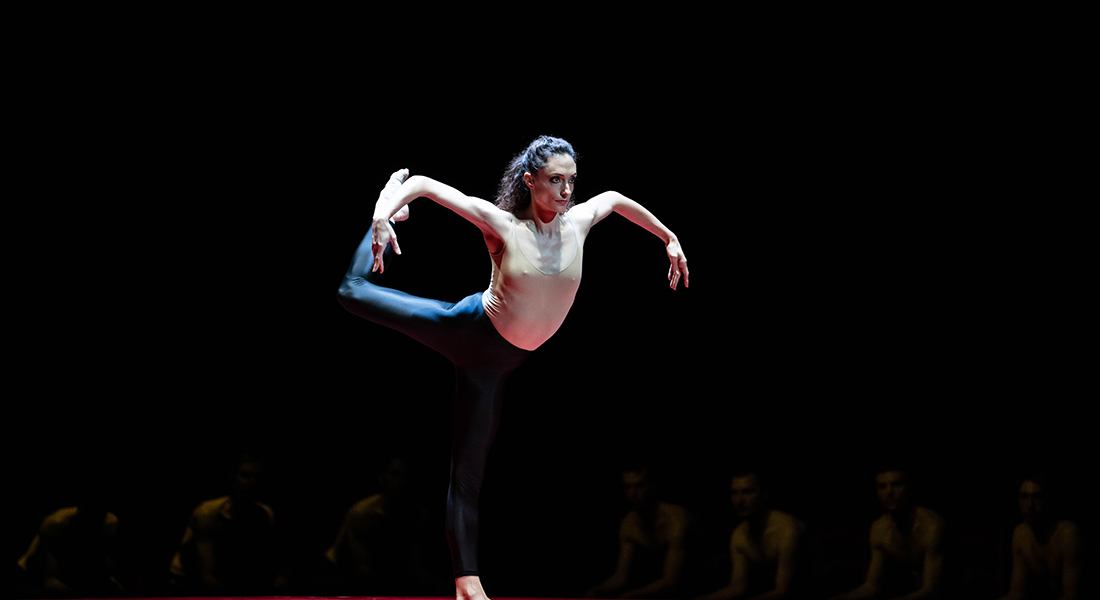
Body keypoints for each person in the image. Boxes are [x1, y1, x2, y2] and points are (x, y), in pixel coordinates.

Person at [337, 136, 689, 600]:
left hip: (499, 365)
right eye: (555, 181)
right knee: (352, 293)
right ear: (530, 181)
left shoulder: (579, 221)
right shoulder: (503, 226)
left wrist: (669, 236)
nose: (566, 191)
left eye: (571, 181)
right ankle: (469, 580)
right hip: (470, 332)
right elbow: (422, 184)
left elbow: (617, 201)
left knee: (468, 474)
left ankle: (466, 583)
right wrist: (385, 210)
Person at [320, 457, 442, 595]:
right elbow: (361, 568)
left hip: (385, 573)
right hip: (341, 571)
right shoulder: (362, 513)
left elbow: (414, 565)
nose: (401, 480)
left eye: (406, 475)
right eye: (395, 474)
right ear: (382, 478)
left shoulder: (417, 515)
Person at [169, 453, 285, 595]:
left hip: (230, 578)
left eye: (258, 477)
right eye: (245, 476)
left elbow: (271, 566)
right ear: (232, 476)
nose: (252, 482)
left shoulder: (265, 514)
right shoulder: (208, 513)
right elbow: (207, 578)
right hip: (188, 580)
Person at [830, 469, 944, 600]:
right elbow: (872, 586)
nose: (889, 492)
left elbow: (931, 591)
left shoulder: (931, 526)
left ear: (910, 489)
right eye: (882, 486)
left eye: (897, 484)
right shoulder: (879, 528)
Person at [696, 470, 805, 600]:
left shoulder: (787, 529)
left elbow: (783, 591)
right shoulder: (739, 535)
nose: (739, 500)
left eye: (747, 492)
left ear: (764, 494)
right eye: (734, 493)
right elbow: (738, 587)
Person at [587, 465, 692, 599]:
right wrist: (597, 591)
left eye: (639, 486)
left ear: (653, 487)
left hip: (702, 581)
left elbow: (671, 580)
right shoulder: (628, 524)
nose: (632, 493)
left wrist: (630, 596)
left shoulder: (675, 520)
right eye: (627, 487)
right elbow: (621, 576)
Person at [13, 471, 123, 598]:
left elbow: (106, 573)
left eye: (100, 507)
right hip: (29, 579)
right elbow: (50, 581)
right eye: (91, 506)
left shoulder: (109, 524)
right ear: (80, 504)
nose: (95, 515)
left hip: (71, 581)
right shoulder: (56, 524)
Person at [997, 477, 1080, 600]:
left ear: (1048, 499)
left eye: (1037, 497)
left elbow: (1072, 595)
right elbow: (1016, 593)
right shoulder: (1021, 534)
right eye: (1024, 497)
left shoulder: (1067, 534)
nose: (1030, 505)